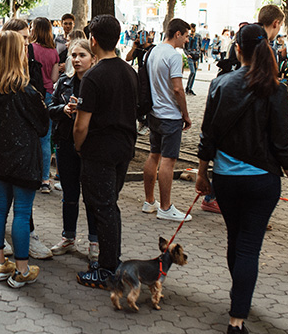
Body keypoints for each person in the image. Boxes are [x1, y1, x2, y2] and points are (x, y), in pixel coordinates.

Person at [195, 23, 288, 334]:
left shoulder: (220, 84)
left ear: (237, 49)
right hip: (262, 182)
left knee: (235, 238)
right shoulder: (277, 89)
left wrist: (202, 173)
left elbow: (207, 135)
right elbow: (282, 143)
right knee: (249, 247)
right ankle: (237, 319)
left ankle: (239, 296)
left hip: (226, 180)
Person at [73, 15, 139, 288]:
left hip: (100, 149)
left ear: (93, 40)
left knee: (103, 208)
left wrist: (78, 146)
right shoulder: (129, 72)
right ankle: (110, 261)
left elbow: (81, 124)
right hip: (123, 147)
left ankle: (108, 268)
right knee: (110, 204)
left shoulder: (94, 76)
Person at [0, 31, 49, 288]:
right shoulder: (26, 91)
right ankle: (22, 270)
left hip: (0, 155)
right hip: (24, 158)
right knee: (22, 212)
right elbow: (42, 127)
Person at [48, 38, 98, 260]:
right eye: (74, 55)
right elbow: (50, 108)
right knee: (69, 194)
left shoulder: (96, 83)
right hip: (66, 142)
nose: (77, 60)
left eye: (82, 55)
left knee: (91, 196)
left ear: (92, 58)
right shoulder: (65, 82)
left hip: (90, 146)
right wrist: (63, 109)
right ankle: (68, 237)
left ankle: (94, 241)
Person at [141, 18, 193, 222]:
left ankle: (149, 201)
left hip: (154, 112)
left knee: (153, 155)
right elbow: (178, 88)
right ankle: (165, 207)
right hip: (170, 115)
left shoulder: (153, 51)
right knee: (168, 161)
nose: (187, 40)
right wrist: (185, 114)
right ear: (177, 34)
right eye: (186, 36)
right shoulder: (173, 55)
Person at [30, 16, 60, 193]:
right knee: (46, 138)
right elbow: (55, 78)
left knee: (30, 135)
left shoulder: (30, 49)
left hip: (32, 95)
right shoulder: (53, 52)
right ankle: (45, 179)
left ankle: (32, 174)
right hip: (48, 95)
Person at [185, 23, 201, 96]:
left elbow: (200, 45)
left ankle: (190, 88)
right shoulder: (187, 36)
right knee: (192, 72)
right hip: (190, 56)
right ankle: (188, 87)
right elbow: (184, 47)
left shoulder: (198, 36)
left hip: (196, 56)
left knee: (194, 73)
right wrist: (187, 54)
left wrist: (199, 53)